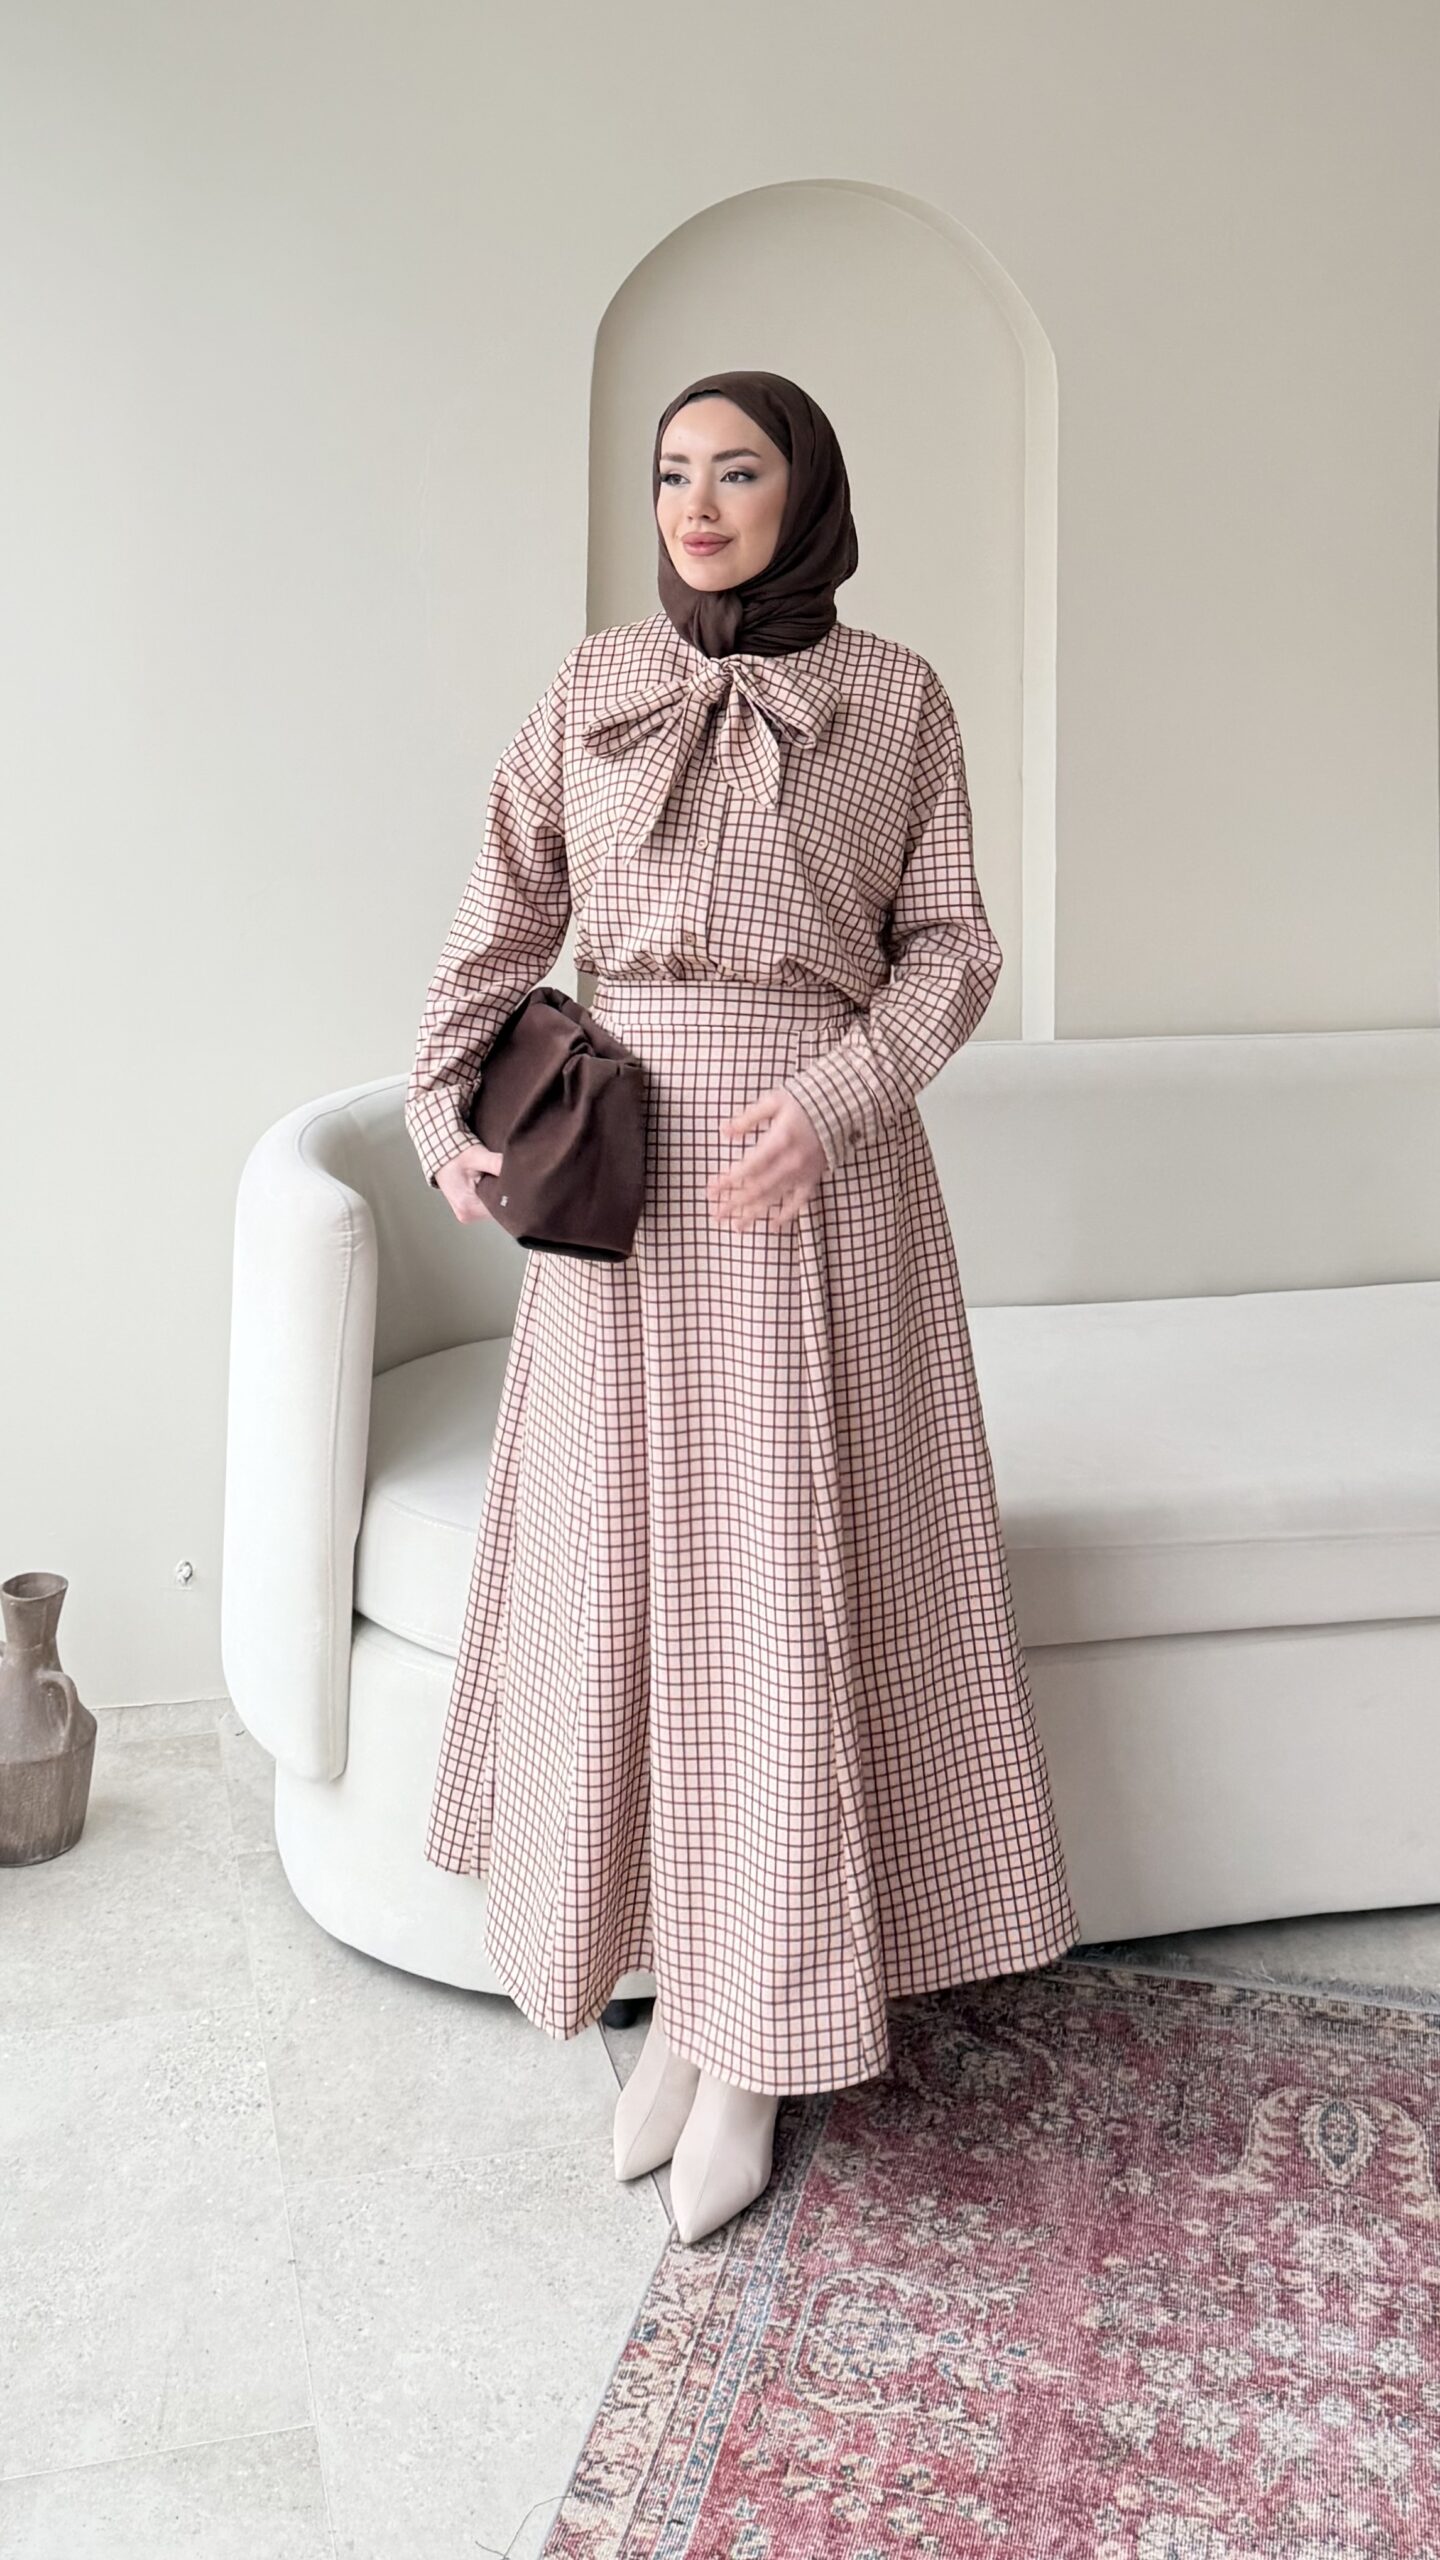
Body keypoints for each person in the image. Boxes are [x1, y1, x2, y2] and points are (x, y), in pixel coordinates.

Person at [404, 369, 1081, 2249]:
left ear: (810, 494)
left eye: (739, 471)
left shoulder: (898, 698)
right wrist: (445, 1113)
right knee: (631, 1585)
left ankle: (754, 2039)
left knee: (779, 1596)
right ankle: (679, 2002)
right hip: (617, 1198)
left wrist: (839, 1099)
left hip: (812, 1194)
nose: (698, 505)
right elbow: (496, 920)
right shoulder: (590, 688)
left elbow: (953, 946)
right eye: (672, 474)